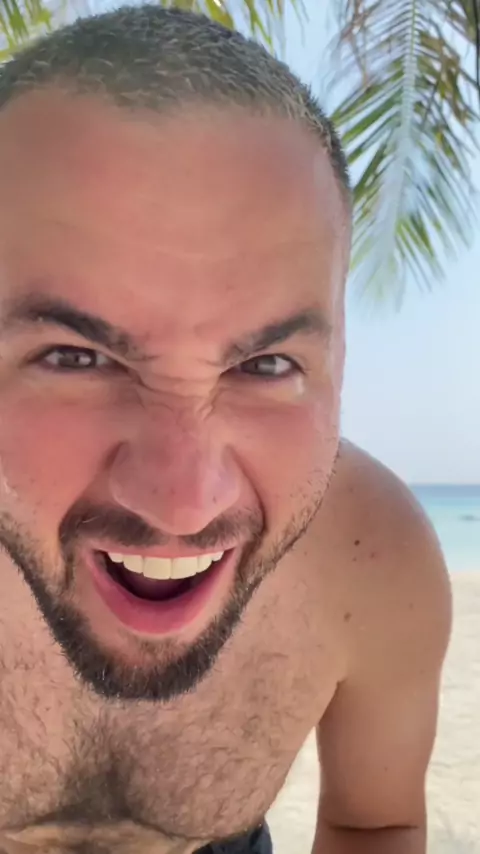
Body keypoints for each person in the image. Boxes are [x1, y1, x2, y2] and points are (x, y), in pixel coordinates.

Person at [0, 6, 451, 854]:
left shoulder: (371, 559)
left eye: (266, 365)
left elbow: (376, 821)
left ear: (340, 361)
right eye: (75, 357)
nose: (183, 502)